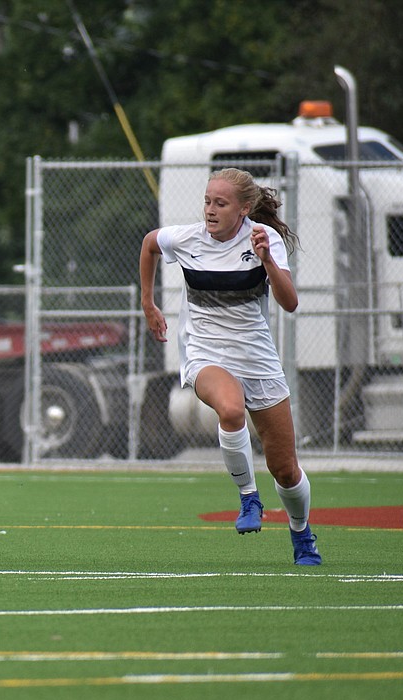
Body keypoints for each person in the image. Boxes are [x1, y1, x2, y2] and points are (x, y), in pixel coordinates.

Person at [139, 167, 322, 566]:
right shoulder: (187, 238)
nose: (210, 209)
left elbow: (290, 303)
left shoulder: (263, 238)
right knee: (231, 409)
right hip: (207, 354)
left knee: (286, 470)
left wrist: (268, 261)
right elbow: (150, 244)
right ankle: (249, 499)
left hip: (257, 358)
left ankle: (302, 534)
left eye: (220, 203)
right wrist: (148, 303)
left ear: (244, 208)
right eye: (207, 201)